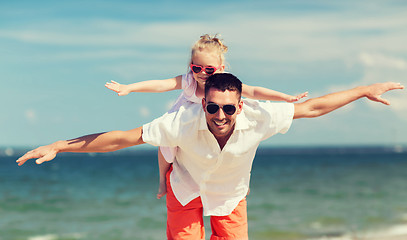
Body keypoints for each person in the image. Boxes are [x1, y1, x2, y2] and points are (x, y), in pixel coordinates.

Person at [17, 73, 404, 240]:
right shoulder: (182, 122)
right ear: (203, 103)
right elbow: (121, 138)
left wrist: (363, 89)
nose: (221, 116)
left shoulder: (259, 116)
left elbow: (314, 108)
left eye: (229, 109)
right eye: (213, 108)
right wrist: (60, 145)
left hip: (230, 195)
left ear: (240, 104)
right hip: (185, 189)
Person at [105, 34, 308, 199]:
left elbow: (254, 91)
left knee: (241, 145)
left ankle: (242, 185)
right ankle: (161, 180)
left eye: (209, 69)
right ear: (191, 67)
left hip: (214, 119)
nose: (202, 73)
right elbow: (161, 84)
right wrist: (128, 88)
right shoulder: (188, 81)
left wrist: (285, 97)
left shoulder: (224, 85)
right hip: (186, 120)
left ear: (220, 69)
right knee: (165, 146)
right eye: (196, 68)